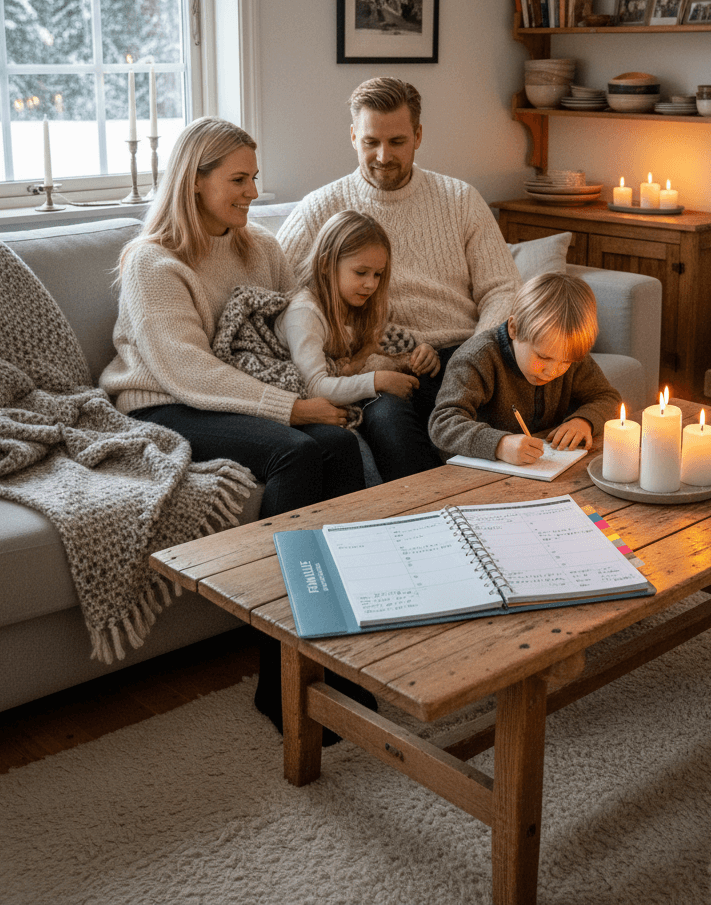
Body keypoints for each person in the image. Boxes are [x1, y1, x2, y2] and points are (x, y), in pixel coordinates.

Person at [99, 115, 372, 741]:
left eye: (254, 177)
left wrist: (344, 371)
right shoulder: (152, 261)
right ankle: (281, 677)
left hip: (235, 399)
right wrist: (292, 409)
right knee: (296, 455)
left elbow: (292, 328)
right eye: (238, 180)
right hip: (164, 402)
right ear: (195, 181)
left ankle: (343, 653)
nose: (252, 192)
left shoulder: (260, 248)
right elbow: (187, 369)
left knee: (338, 445)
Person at [276, 76, 521, 480]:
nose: (383, 155)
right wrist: (355, 357)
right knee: (389, 424)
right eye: (370, 142)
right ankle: (428, 512)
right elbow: (279, 289)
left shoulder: (460, 199)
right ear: (353, 137)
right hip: (380, 364)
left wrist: (474, 356)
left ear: (418, 136)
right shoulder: (320, 208)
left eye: (397, 142)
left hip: (460, 351)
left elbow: (503, 288)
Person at [428, 272, 621, 464]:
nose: (552, 371)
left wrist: (584, 421)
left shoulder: (565, 352)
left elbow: (608, 398)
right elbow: (442, 423)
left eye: (565, 362)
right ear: (514, 328)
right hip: (474, 471)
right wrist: (499, 444)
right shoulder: (477, 358)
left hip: (541, 466)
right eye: (543, 357)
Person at [274, 209, 440, 422]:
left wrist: (422, 354)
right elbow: (314, 386)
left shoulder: (359, 303)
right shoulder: (305, 313)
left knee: (431, 383)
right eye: (361, 272)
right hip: (307, 406)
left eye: (378, 274)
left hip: (354, 388)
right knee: (392, 414)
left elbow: (383, 346)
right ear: (326, 264)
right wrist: (377, 380)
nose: (371, 284)